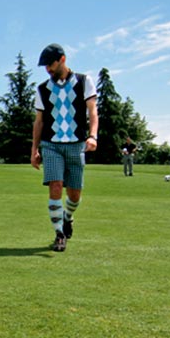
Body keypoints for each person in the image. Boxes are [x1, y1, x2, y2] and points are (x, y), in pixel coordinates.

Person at [30, 43, 98, 252]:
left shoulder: (83, 81)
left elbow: (93, 112)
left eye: (50, 64)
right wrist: (34, 149)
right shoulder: (42, 89)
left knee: (75, 194)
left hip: (77, 145)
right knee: (56, 186)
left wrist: (93, 136)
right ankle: (59, 233)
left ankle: (68, 218)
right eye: (45, 67)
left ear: (62, 59)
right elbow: (39, 121)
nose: (48, 70)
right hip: (51, 145)